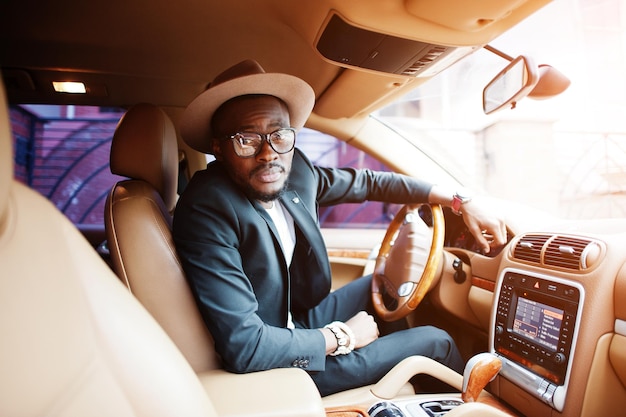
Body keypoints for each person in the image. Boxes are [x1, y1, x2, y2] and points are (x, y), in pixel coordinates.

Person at [173, 59, 507, 396]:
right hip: (270, 365)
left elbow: (366, 182)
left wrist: (460, 201)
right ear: (218, 147)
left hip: (291, 321)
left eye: (279, 134)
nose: (267, 153)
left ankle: (394, 388)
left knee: (383, 286)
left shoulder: (294, 169)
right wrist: (342, 337)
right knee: (435, 341)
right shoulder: (207, 208)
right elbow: (246, 347)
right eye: (246, 139)